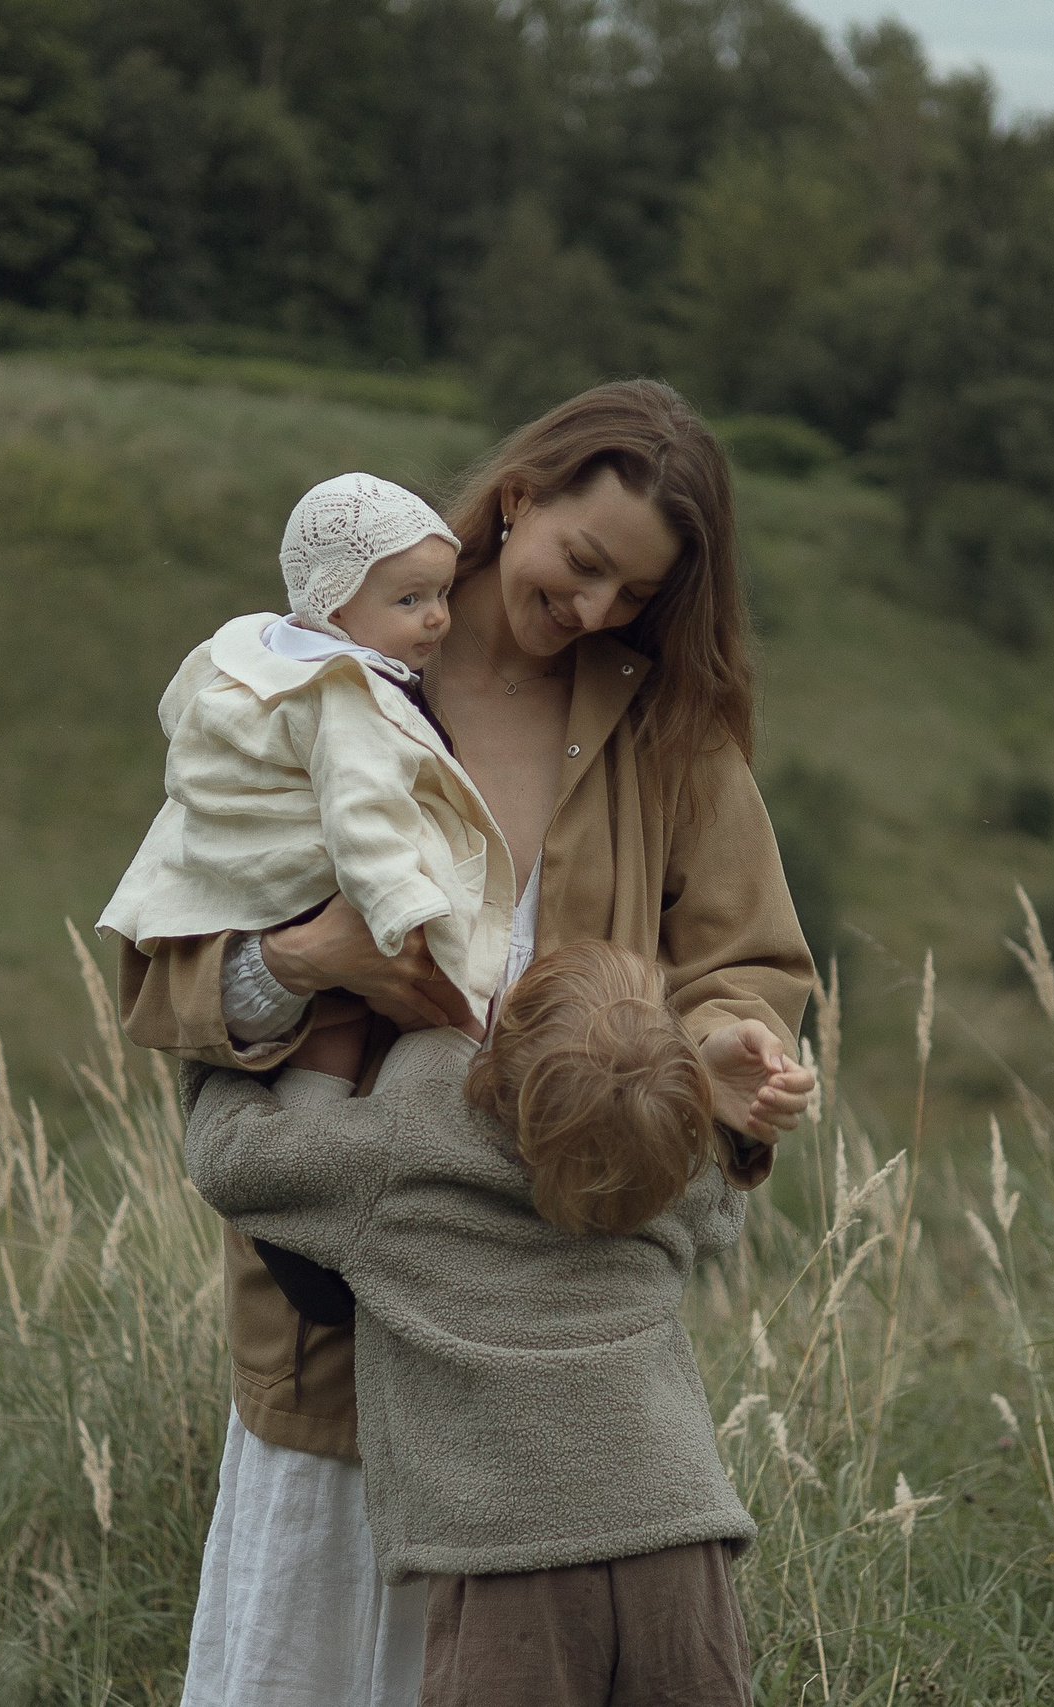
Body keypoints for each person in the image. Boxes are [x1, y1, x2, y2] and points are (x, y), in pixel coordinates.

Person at [118, 381, 817, 1707]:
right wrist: (313, 960)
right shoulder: (316, 675)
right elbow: (166, 974)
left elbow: (743, 962)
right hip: (344, 1299)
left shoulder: (666, 723)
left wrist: (732, 1055)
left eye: (638, 595)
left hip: (550, 1324)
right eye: (584, 564)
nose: (601, 611)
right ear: (517, 500)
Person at [181, 942, 771, 1706]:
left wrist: (214, 1053)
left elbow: (232, 1159)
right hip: (681, 1538)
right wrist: (717, 1111)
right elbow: (727, 1196)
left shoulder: (409, 1150)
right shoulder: (668, 1168)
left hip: (511, 1555)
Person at [101, 471, 514, 1093]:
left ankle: (312, 1119)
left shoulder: (254, 651)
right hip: (338, 886)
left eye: (443, 595)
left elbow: (180, 709)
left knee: (330, 1035)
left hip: (261, 878)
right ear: (337, 605)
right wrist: (404, 905)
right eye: (409, 601)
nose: (436, 619)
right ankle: (472, 1056)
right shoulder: (347, 693)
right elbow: (362, 810)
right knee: (440, 1003)